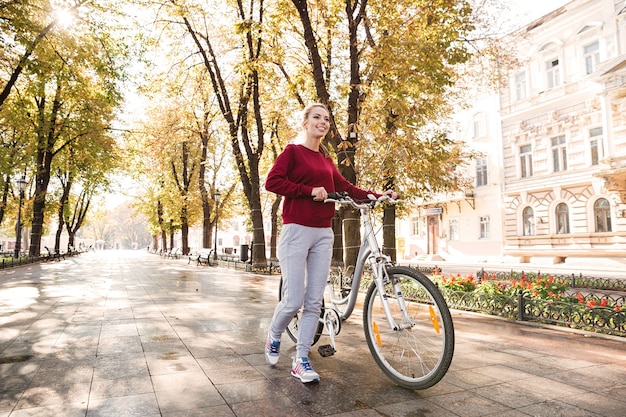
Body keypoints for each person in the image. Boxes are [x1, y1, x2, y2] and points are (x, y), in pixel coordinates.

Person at [264, 103, 397, 383]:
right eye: (317, 117)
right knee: (293, 300)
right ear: (305, 123)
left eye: (326, 119)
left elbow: (347, 188)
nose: (322, 122)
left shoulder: (326, 161)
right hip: (296, 230)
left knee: (314, 301)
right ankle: (274, 334)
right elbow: (272, 182)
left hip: (324, 233)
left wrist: (375, 195)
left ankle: (300, 359)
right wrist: (308, 190)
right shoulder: (292, 152)